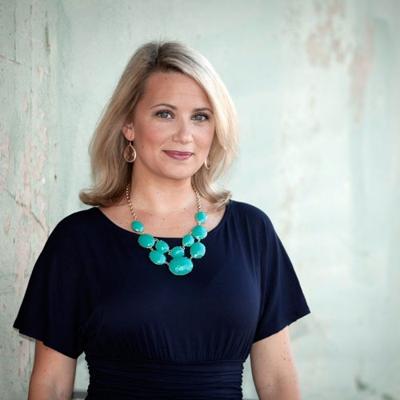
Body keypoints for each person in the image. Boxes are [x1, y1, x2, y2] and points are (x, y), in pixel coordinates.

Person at [13, 40, 311, 400]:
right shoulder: (77, 240)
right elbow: (50, 385)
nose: (185, 135)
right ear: (128, 125)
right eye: (165, 114)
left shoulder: (252, 231)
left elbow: (278, 380)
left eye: (200, 116)